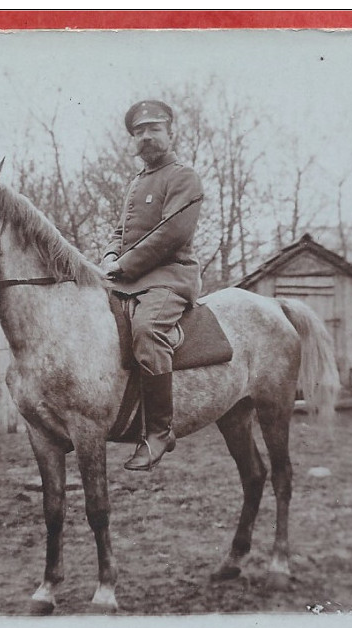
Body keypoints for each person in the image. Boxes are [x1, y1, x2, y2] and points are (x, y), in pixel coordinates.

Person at [101, 99, 204, 471]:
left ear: (170, 132)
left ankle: (160, 431)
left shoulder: (183, 177)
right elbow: (122, 231)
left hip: (170, 276)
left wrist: (123, 266)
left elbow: (171, 235)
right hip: (130, 276)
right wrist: (110, 256)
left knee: (146, 330)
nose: (145, 137)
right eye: (139, 131)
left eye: (153, 129)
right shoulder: (137, 182)